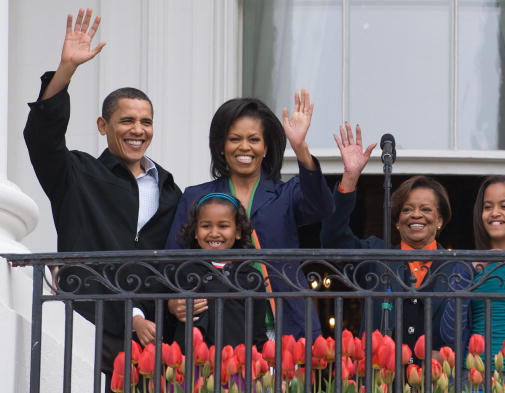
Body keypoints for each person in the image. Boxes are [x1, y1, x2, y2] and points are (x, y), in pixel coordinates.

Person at [23, 9, 181, 391]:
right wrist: (66, 71)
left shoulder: (171, 191)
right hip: (89, 325)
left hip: (157, 340)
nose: (137, 130)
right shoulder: (76, 175)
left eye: (146, 122)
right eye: (127, 121)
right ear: (103, 126)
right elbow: (42, 139)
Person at [165, 90, 334, 338]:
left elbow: (321, 206)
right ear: (222, 146)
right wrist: (173, 302)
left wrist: (300, 149)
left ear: (266, 148)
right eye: (235, 139)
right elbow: (171, 262)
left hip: (282, 326)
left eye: (254, 139)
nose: (244, 147)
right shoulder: (196, 197)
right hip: (217, 328)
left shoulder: (286, 193)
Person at [319, 122, 454, 363]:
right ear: (397, 222)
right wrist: (350, 178)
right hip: (381, 379)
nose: (416, 215)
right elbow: (333, 239)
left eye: (425, 209)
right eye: (407, 209)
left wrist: (450, 358)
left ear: (440, 220)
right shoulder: (376, 255)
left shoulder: (457, 267)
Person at [440, 175, 505, 366]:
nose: (494, 213)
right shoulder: (465, 268)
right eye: (488, 207)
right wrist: (469, 273)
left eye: (504, 206)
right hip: (473, 379)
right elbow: (449, 334)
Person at [167, 193, 267, 349]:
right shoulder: (184, 270)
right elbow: (169, 316)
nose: (214, 233)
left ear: (238, 231)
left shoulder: (250, 278)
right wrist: (172, 306)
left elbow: (257, 333)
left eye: (223, 226)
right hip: (194, 365)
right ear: (195, 231)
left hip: (235, 365)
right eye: (206, 226)